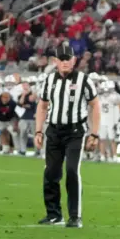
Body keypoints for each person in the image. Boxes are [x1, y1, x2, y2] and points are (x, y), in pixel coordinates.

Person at [35, 41, 100, 228]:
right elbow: (42, 105)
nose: (64, 62)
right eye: (61, 59)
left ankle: (75, 216)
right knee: (51, 172)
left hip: (75, 132)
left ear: (74, 60)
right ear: (55, 61)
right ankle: (54, 214)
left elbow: (95, 104)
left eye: (68, 59)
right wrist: (39, 130)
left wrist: (94, 133)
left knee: (72, 171)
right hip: (54, 130)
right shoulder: (49, 80)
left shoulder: (84, 80)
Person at [97, 81, 120, 162]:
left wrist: (116, 122)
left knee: (112, 139)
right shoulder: (99, 98)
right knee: (102, 139)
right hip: (102, 121)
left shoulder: (114, 98)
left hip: (110, 121)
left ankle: (114, 156)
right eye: (104, 90)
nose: (106, 92)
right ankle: (102, 155)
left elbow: (117, 110)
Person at [17, 79, 38, 156]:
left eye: (26, 85)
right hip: (23, 116)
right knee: (23, 134)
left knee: (35, 134)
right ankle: (23, 150)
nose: (24, 86)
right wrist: (23, 95)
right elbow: (20, 103)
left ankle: (37, 150)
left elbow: (33, 102)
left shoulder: (33, 93)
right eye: (23, 85)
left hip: (32, 116)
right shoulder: (21, 95)